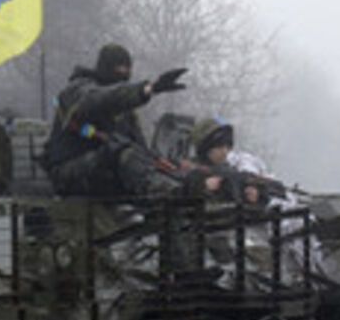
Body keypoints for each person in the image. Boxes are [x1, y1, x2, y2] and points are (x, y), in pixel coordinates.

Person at [43, 43, 189, 198]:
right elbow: (100, 100)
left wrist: (158, 163)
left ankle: (182, 189)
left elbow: (138, 146)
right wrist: (148, 89)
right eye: (119, 69)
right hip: (70, 172)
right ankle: (162, 191)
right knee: (117, 150)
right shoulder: (77, 91)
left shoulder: (124, 110)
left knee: (145, 158)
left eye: (127, 70)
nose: (123, 75)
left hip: (104, 171)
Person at [185, 117, 264, 205]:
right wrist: (201, 186)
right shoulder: (189, 169)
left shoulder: (231, 172)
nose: (225, 151)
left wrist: (255, 196)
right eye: (219, 147)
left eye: (228, 147)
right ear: (205, 148)